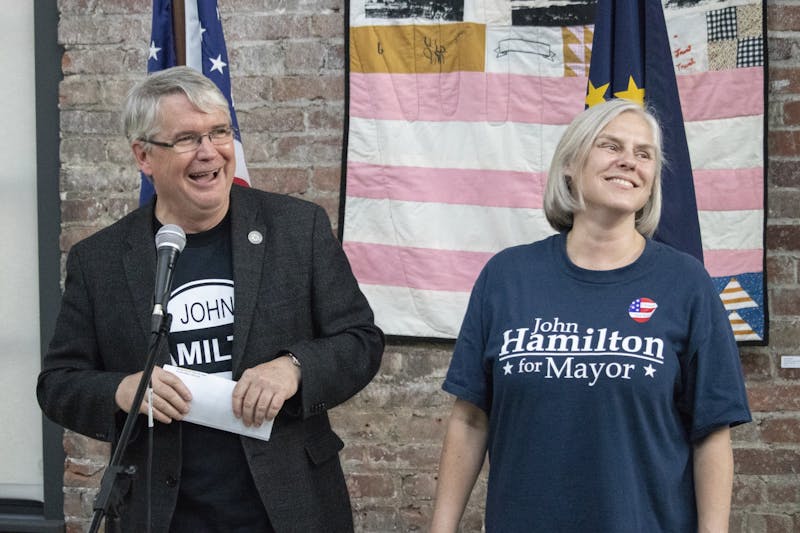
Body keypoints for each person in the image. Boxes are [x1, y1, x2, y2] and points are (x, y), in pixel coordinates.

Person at [37, 66, 384, 532]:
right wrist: (123, 390)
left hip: (288, 506)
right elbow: (59, 383)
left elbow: (361, 340)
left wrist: (294, 367)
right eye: (185, 139)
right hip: (163, 514)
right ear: (143, 155)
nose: (209, 152)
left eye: (219, 132)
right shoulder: (98, 260)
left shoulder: (298, 229)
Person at [430, 99, 751, 533]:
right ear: (569, 164)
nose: (628, 162)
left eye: (644, 154)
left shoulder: (686, 283)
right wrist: (442, 528)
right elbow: (470, 419)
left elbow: (711, 434)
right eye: (610, 145)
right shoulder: (506, 277)